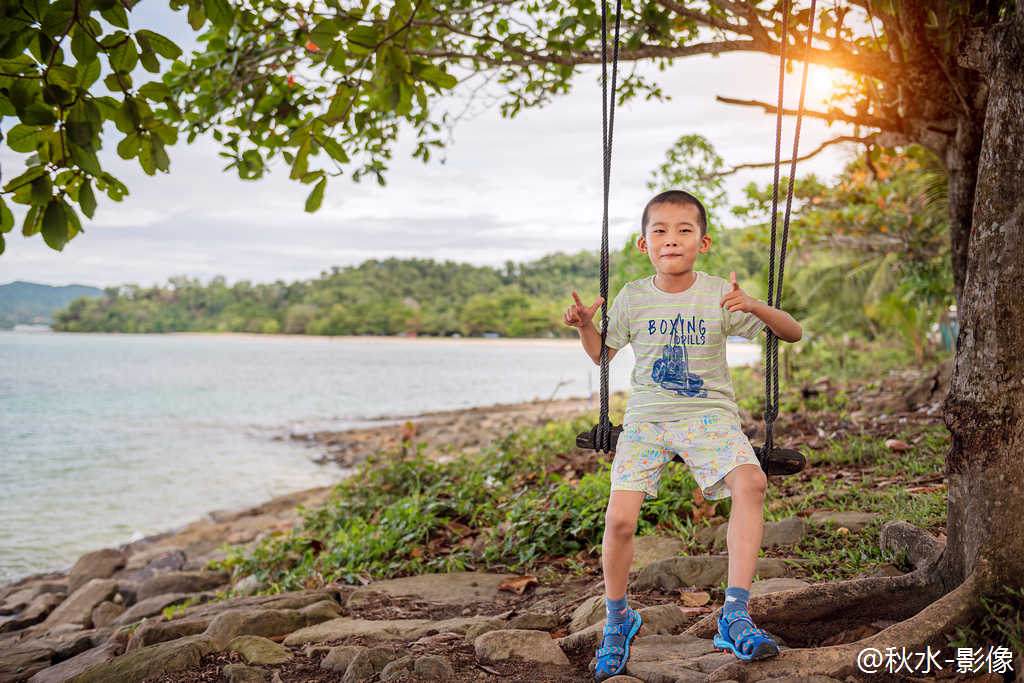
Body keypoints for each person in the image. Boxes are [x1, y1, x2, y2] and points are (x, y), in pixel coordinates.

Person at [563, 190, 802, 681]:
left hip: (709, 417)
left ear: (704, 242)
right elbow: (601, 356)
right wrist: (586, 325)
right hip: (647, 419)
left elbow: (792, 332)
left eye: (684, 230)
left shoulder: (719, 293)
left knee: (753, 484)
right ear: (642, 242)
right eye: (660, 231)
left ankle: (734, 614)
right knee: (620, 521)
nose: (671, 239)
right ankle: (617, 618)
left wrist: (754, 305)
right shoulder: (631, 295)